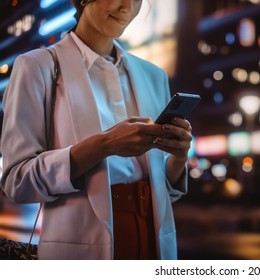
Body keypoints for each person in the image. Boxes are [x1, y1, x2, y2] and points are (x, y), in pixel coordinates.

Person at [0, 0, 191, 260]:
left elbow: (165, 192)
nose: (128, 8)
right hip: (81, 246)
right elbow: (17, 181)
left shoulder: (153, 75)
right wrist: (104, 145)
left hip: (154, 243)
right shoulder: (38, 67)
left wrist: (178, 156)